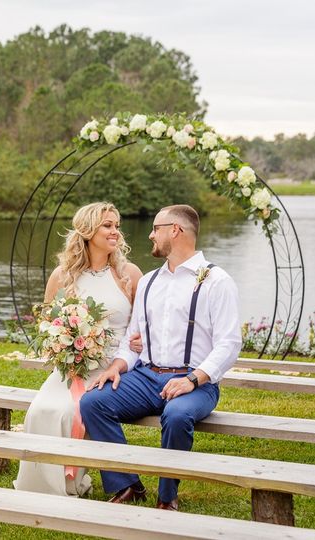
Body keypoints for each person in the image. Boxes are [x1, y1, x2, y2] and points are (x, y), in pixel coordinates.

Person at [80, 204, 241, 511]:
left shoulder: (217, 281)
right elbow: (133, 337)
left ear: (175, 231)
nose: (151, 234)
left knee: (177, 415)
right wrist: (117, 366)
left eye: (156, 229)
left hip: (197, 382)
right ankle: (126, 484)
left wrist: (193, 380)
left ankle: (167, 497)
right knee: (93, 401)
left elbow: (229, 343)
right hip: (146, 376)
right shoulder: (150, 281)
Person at [14, 202, 142, 497]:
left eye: (117, 225)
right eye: (107, 225)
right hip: (72, 366)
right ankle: (41, 486)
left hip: (112, 365)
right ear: (87, 231)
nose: (115, 231)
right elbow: (48, 323)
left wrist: (139, 342)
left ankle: (69, 483)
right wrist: (63, 341)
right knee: (41, 410)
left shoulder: (129, 274)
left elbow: (144, 324)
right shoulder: (63, 276)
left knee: (71, 410)